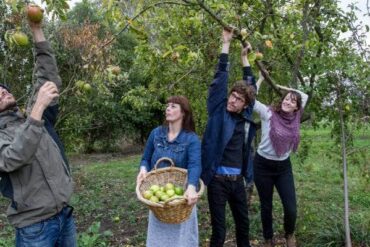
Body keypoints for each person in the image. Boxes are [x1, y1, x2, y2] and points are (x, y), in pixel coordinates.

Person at [0, 13, 76, 247]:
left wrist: (36, 30)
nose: (3, 92)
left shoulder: (27, 116)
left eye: (3, 89)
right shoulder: (32, 117)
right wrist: (38, 110)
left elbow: (46, 76)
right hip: (34, 227)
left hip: (65, 215)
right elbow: (11, 158)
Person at [201, 28, 257, 247]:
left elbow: (250, 86)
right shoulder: (218, 110)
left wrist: (245, 59)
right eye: (232, 96)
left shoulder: (245, 118)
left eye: (238, 99)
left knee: (244, 227)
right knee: (219, 232)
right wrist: (226, 44)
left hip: (238, 183)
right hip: (217, 181)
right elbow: (220, 78)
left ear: (245, 105)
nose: (232, 100)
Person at [136, 95, 202, 247]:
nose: (168, 108)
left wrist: (191, 187)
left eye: (173, 106)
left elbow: (195, 165)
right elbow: (145, 158)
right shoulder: (156, 134)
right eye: (168, 106)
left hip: (181, 201)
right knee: (158, 240)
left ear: (183, 113)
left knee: (181, 241)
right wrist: (143, 169)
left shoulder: (191, 139)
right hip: (159, 201)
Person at [253, 72, 308, 247]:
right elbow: (251, 99)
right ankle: (268, 239)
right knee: (266, 205)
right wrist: (261, 79)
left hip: (283, 167)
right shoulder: (268, 113)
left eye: (292, 101)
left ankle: (289, 234)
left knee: (291, 207)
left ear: (297, 108)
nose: (287, 102)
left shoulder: (296, 118)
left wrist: (283, 88)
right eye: (286, 99)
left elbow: (304, 96)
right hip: (262, 165)